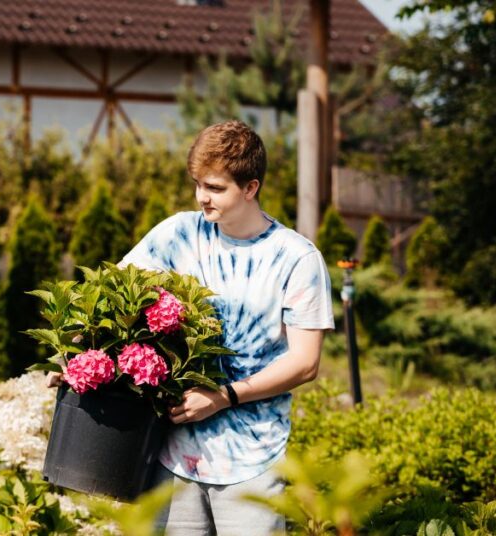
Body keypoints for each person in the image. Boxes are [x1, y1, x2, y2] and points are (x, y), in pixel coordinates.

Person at [118, 120, 334, 534]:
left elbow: (305, 363)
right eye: (198, 184)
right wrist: (76, 361)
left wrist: (222, 397)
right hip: (172, 456)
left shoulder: (295, 258)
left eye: (216, 188)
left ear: (250, 188)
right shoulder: (177, 235)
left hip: (252, 459)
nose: (202, 197)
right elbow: (115, 300)